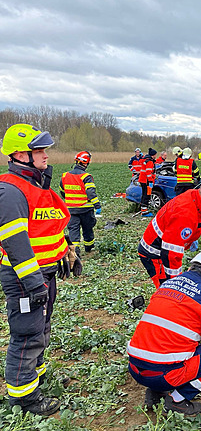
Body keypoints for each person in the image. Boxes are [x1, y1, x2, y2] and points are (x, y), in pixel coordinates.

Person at [0, 124, 70, 415]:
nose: (45, 155)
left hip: (45, 272)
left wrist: (67, 252)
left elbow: (46, 227)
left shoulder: (36, 186)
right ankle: (23, 398)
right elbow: (15, 244)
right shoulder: (10, 190)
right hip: (25, 278)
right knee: (27, 335)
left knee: (41, 329)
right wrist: (32, 283)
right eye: (38, 150)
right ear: (20, 154)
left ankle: (34, 379)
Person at [128, 251, 201, 415]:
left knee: (162, 342)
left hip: (135, 367)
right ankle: (177, 400)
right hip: (164, 375)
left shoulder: (166, 285)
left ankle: (155, 392)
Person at [138, 179, 201, 288]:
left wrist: (191, 238)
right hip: (153, 252)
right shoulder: (185, 213)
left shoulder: (194, 197)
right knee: (166, 288)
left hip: (162, 246)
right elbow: (170, 253)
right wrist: (176, 283)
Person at [59, 151, 101, 255]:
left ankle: (75, 251)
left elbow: (62, 191)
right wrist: (97, 205)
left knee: (73, 230)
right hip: (85, 209)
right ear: (86, 163)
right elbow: (90, 192)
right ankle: (88, 247)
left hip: (71, 209)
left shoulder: (65, 176)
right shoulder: (86, 177)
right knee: (87, 228)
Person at [139, 148, 157, 217]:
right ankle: (144, 212)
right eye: (155, 155)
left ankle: (143, 210)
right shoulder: (150, 162)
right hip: (146, 181)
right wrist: (150, 181)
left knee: (144, 194)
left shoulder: (146, 160)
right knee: (147, 195)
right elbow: (148, 173)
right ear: (153, 155)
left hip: (143, 180)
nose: (156, 156)